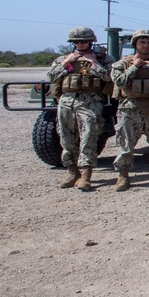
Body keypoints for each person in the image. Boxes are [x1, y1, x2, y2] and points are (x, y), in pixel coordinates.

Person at [47, 27, 115, 190]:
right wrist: (66, 62)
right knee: (66, 137)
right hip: (67, 101)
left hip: (91, 101)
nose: (80, 44)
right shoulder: (64, 59)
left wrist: (93, 62)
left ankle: (86, 174)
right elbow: (51, 76)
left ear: (91, 41)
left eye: (84, 41)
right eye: (76, 41)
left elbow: (109, 77)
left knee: (89, 137)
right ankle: (72, 172)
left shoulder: (104, 58)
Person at [110, 29, 149, 191]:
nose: (145, 45)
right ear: (135, 44)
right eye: (142, 42)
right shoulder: (122, 64)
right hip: (130, 109)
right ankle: (123, 175)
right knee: (126, 144)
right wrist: (134, 67)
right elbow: (119, 82)